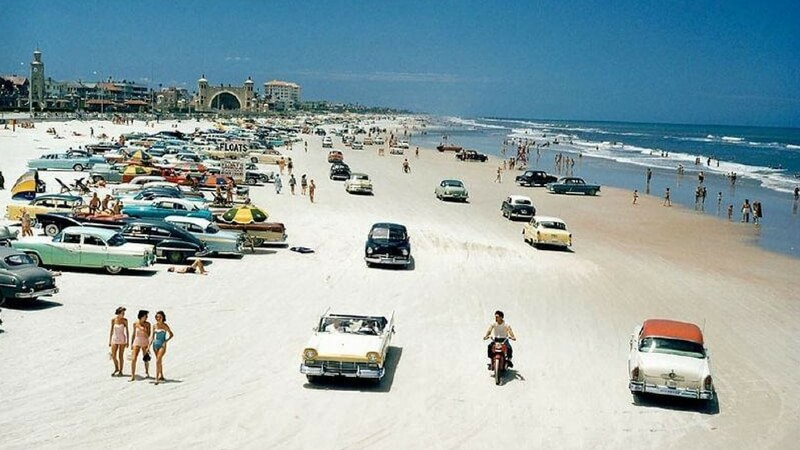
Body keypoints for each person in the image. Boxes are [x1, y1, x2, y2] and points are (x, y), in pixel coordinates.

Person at [151, 311, 174, 385]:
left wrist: (166, 341)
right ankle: (161, 375)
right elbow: (152, 337)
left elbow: (171, 334)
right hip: (155, 344)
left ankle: (156, 378)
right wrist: (148, 346)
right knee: (159, 361)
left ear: (163, 318)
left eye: (160, 317)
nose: (158, 318)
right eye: (157, 317)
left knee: (158, 360)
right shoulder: (154, 326)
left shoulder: (165, 326)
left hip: (162, 345)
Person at [129, 310, 151, 382]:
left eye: (147, 316)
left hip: (145, 341)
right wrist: (131, 344)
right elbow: (133, 334)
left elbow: (148, 335)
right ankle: (132, 375)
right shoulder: (135, 323)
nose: (147, 317)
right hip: (137, 341)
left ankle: (147, 372)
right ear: (141, 316)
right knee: (133, 358)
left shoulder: (148, 324)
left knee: (145, 358)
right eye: (145, 316)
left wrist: (144, 330)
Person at [108, 307, 129, 377]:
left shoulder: (125, 320)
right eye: (122, 313)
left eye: (124, 313)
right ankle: (116, 368)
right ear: (118, 313)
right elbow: (111, 330)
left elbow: (127, 331)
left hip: (122, 338)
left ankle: (121, 371)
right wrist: (109, 340)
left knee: (120, 355)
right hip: (114, 338)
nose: (123, 314)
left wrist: (128, 341)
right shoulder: (113, 320)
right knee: (113, 355)